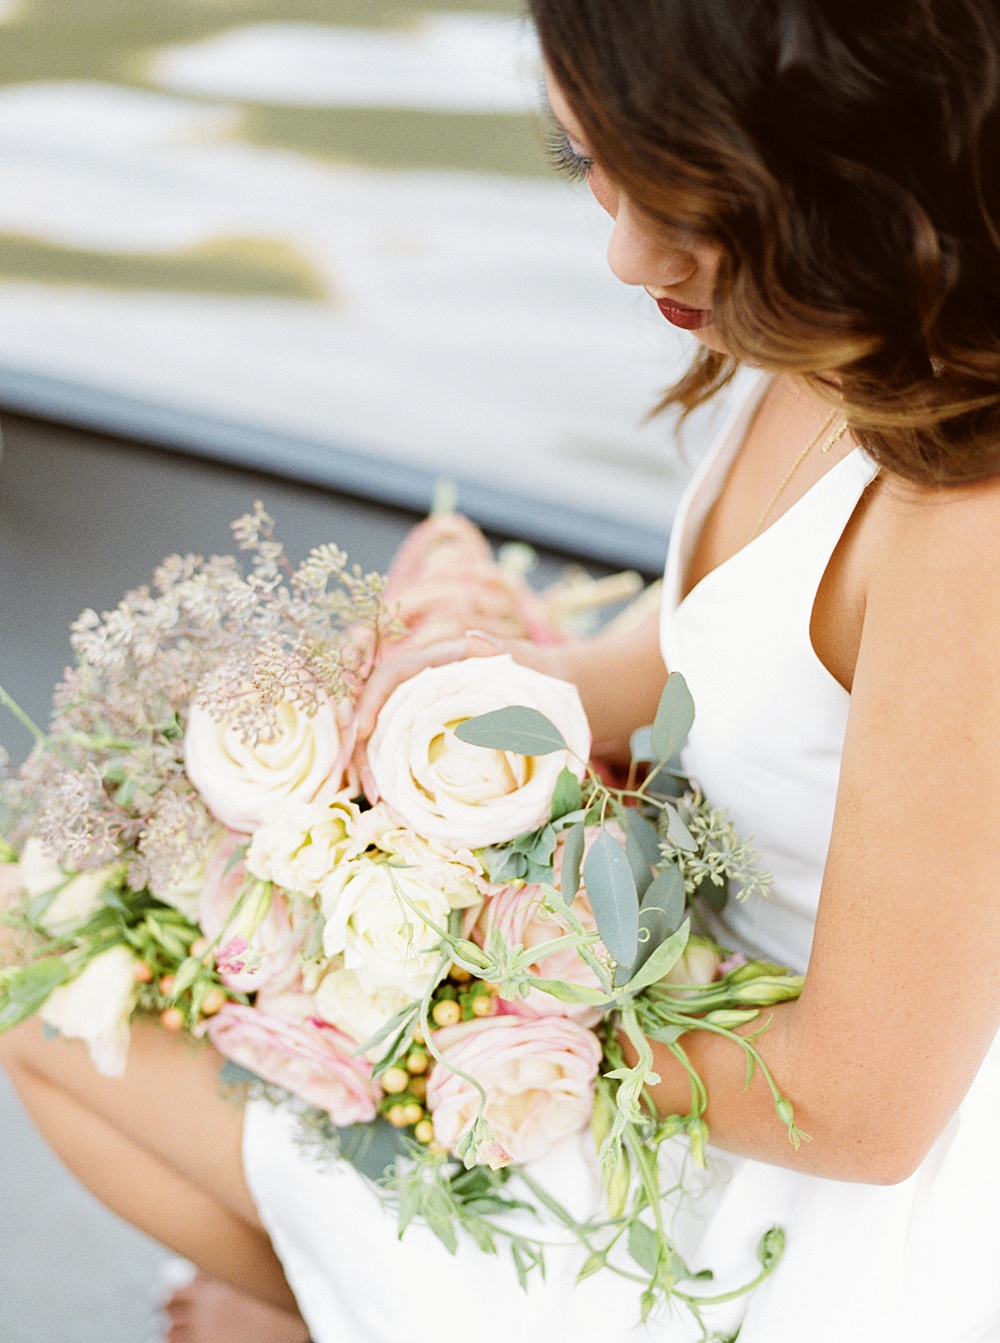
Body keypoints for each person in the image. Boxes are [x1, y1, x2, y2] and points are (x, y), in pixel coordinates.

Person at [5, 0, 1000, 1338]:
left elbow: (861, 1108)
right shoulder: (829, 329)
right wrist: (451, 697)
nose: (626, 250)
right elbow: (732, 633)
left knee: (48, 1010)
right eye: (590, 164)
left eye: (692, 197)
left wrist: (453, 1007)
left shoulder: (968, 532)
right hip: (677, 985)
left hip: (792, 1164)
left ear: (857, 162)